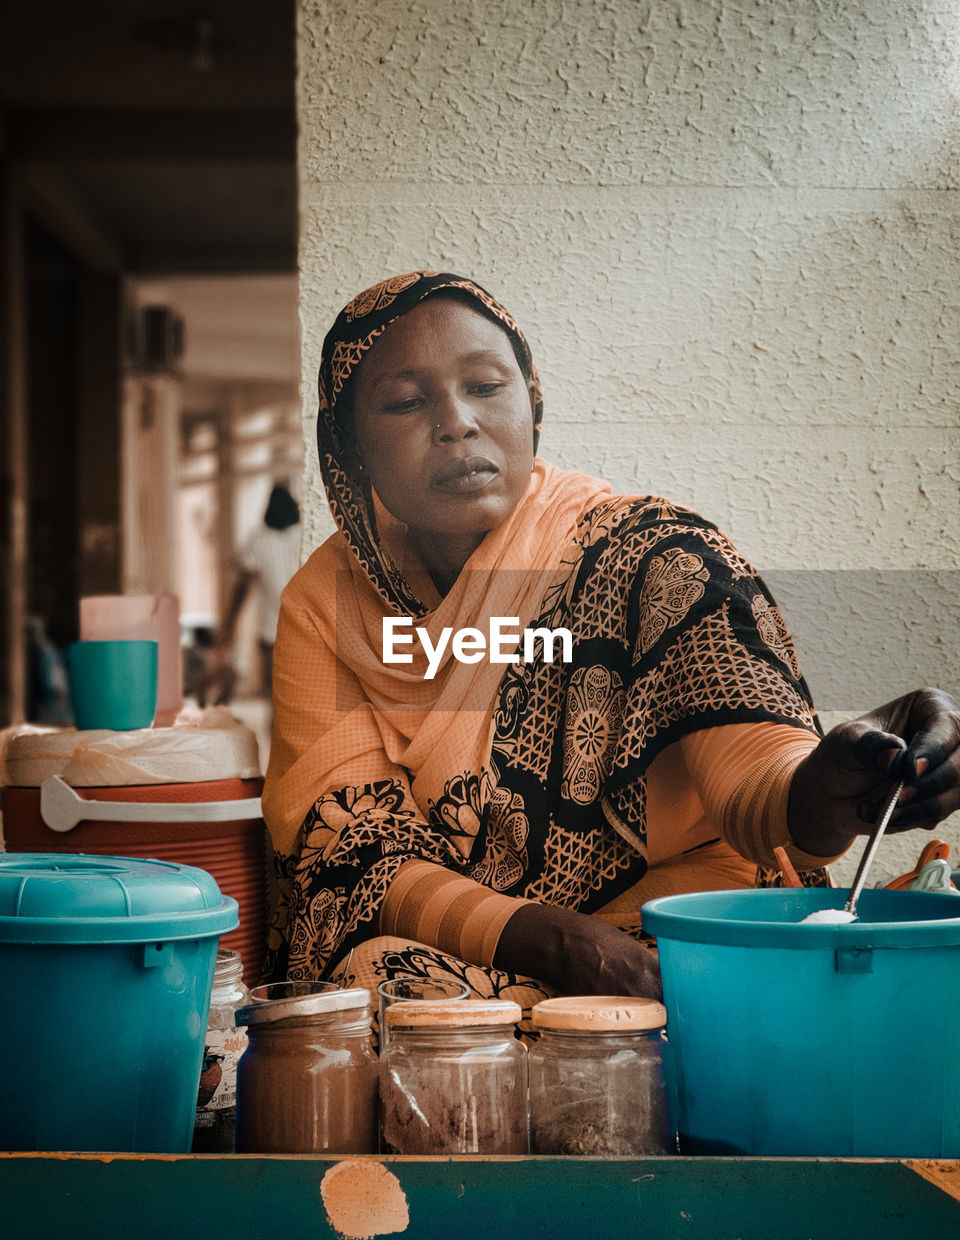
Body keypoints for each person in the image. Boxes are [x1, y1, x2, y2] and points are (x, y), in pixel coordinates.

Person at [261, 270, 960, 1019]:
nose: (456, 421)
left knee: (700, 995)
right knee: (373, 985)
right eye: (405, 401)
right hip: (485, 950)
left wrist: (837, 785)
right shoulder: (327, 601)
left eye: (487, 387)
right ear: (347, 446)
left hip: (673, 937)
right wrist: (559, 944)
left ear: (532, 400)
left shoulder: (657, 558)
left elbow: (760, 786)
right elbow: (353, 848)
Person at [209, 483, 301, 700]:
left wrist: (229, 625)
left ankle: (275, 732)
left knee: (274, 695)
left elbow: (242, 587)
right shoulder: (306, 533)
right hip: (304, 628)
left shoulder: (258, 539)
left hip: (271, 631)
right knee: (300, 694)